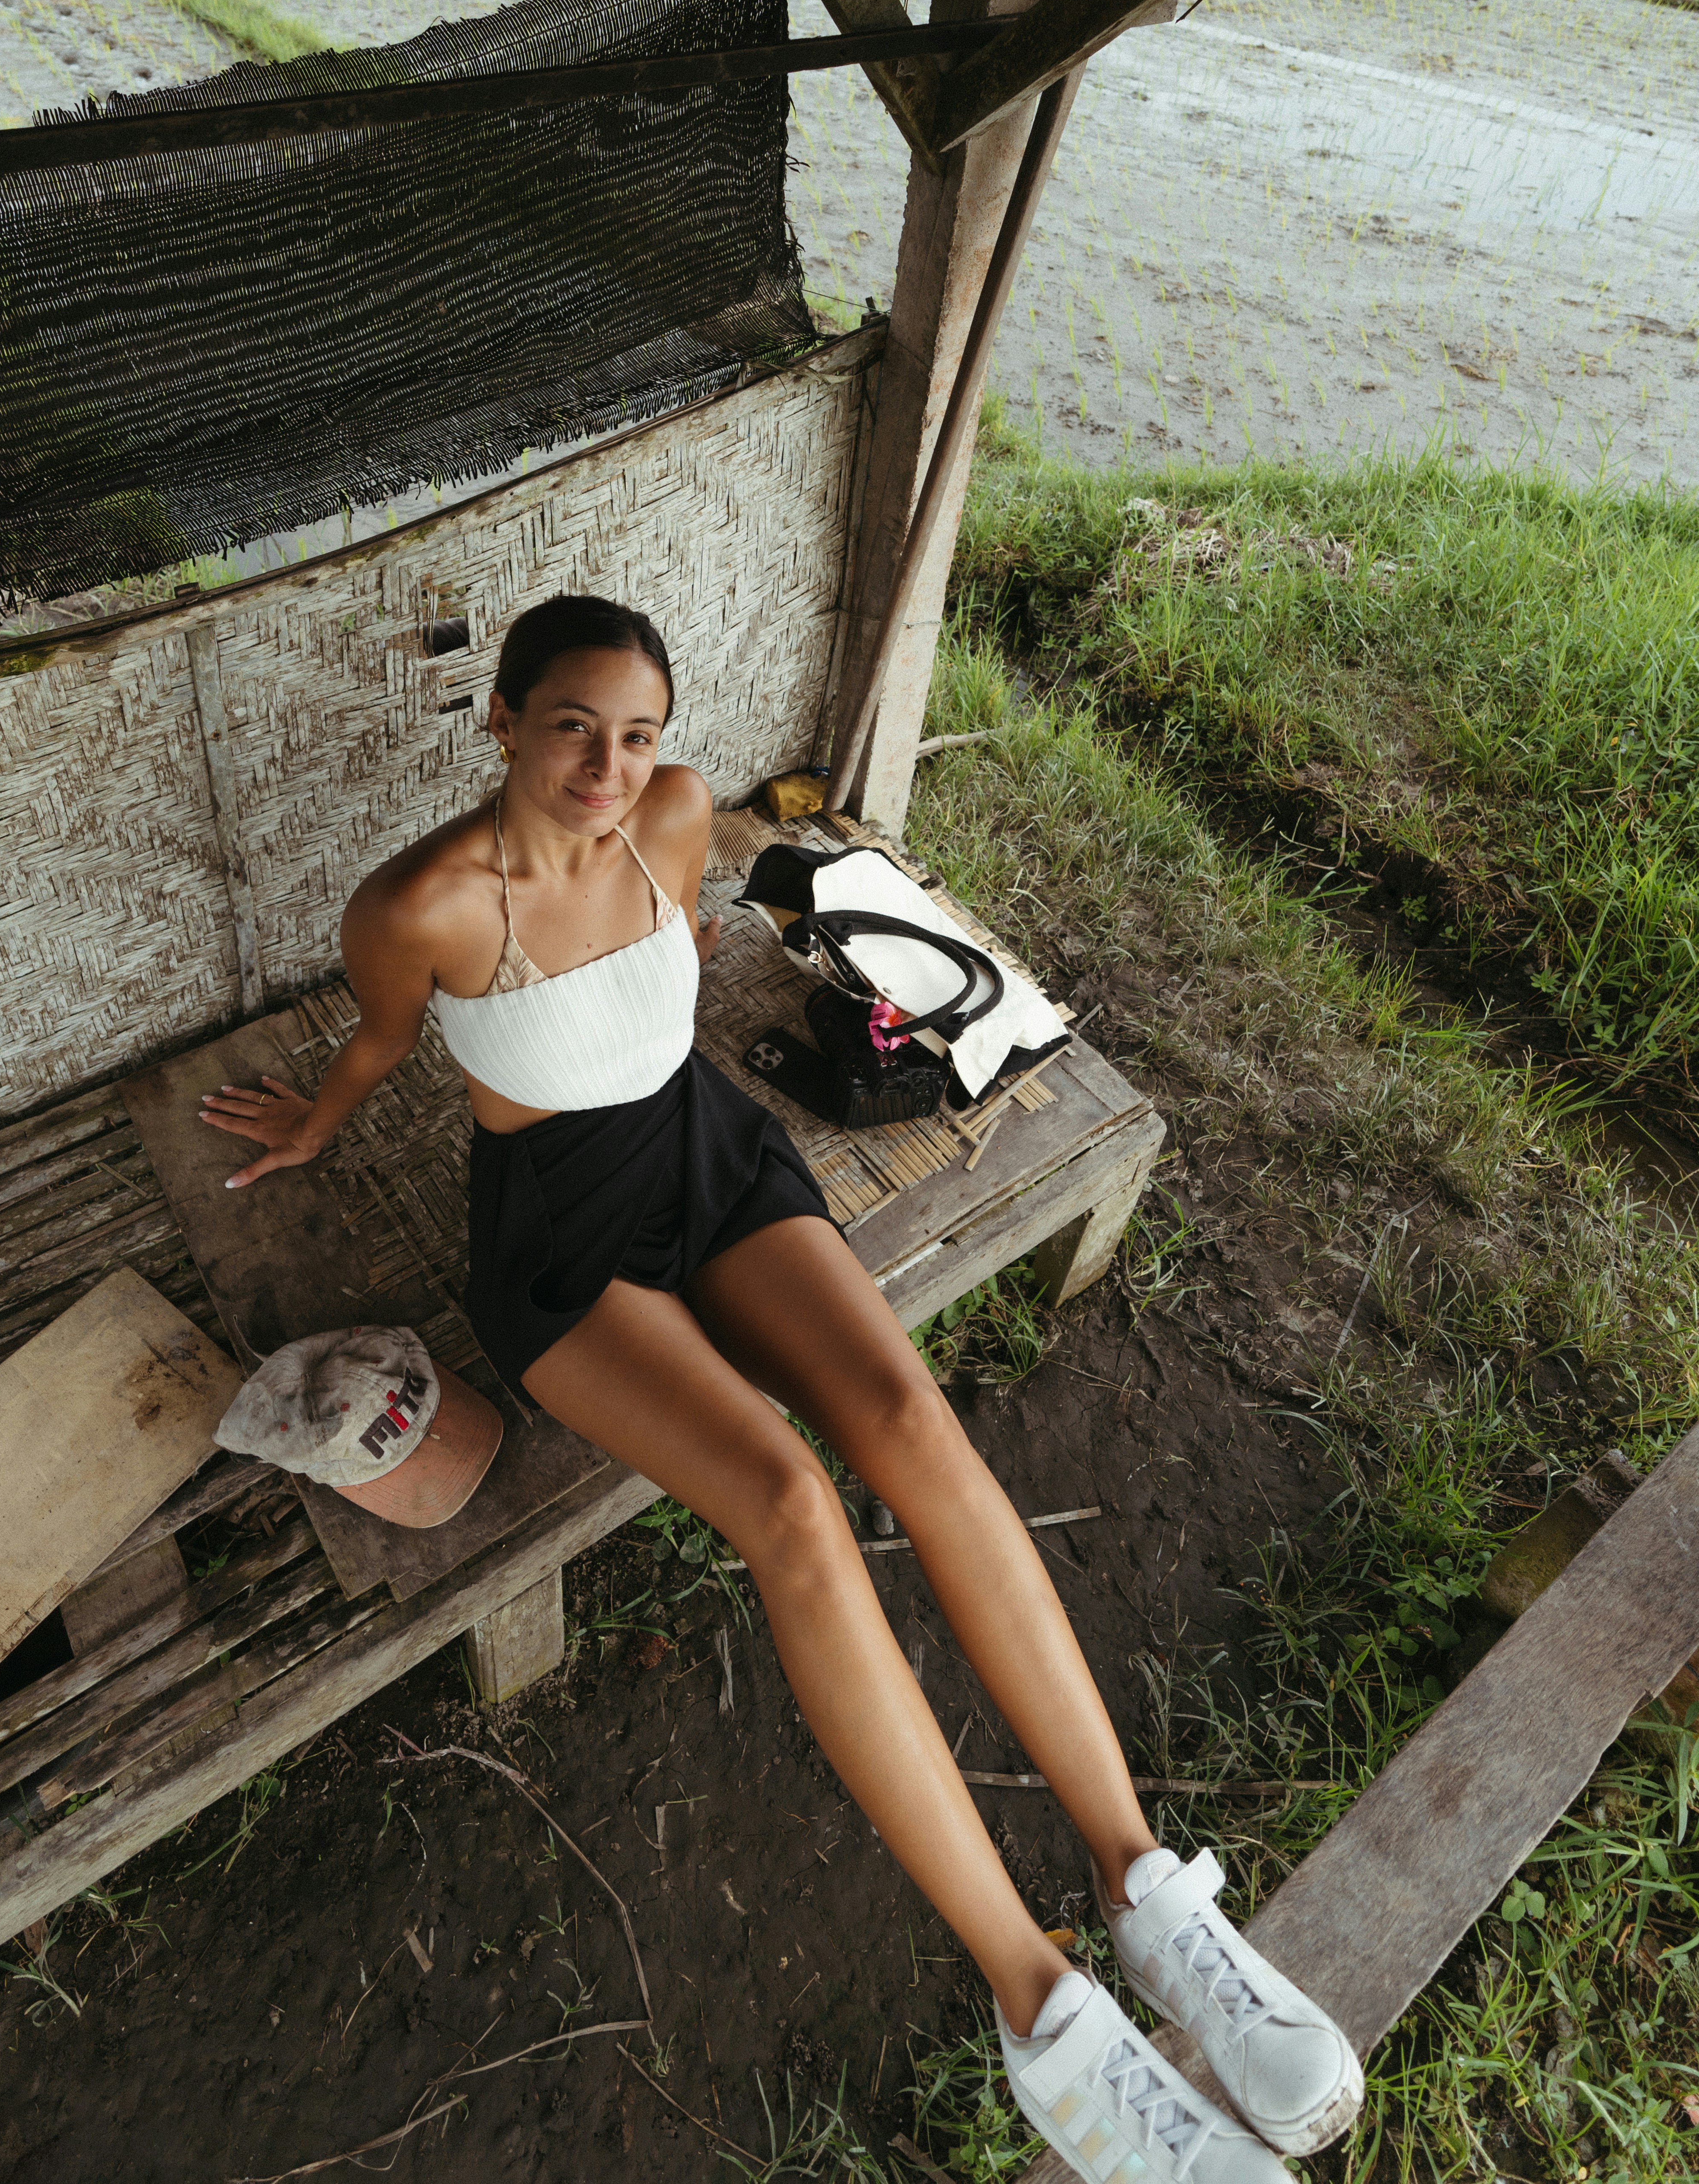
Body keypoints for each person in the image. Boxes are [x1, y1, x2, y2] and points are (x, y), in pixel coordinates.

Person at [199, 593, 1361, 2179]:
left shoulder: (677, 820)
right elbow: (384, 1043)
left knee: (908, 1426)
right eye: (570, 727)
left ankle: (1150, 1894)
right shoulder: (422, 903)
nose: (609, 766)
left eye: (638, 733)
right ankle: (1053, 2028)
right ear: (502, 721)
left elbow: (662, 962)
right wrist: (318, 1122)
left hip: (704, 1148)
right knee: (794, 1505)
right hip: (558, 1237)